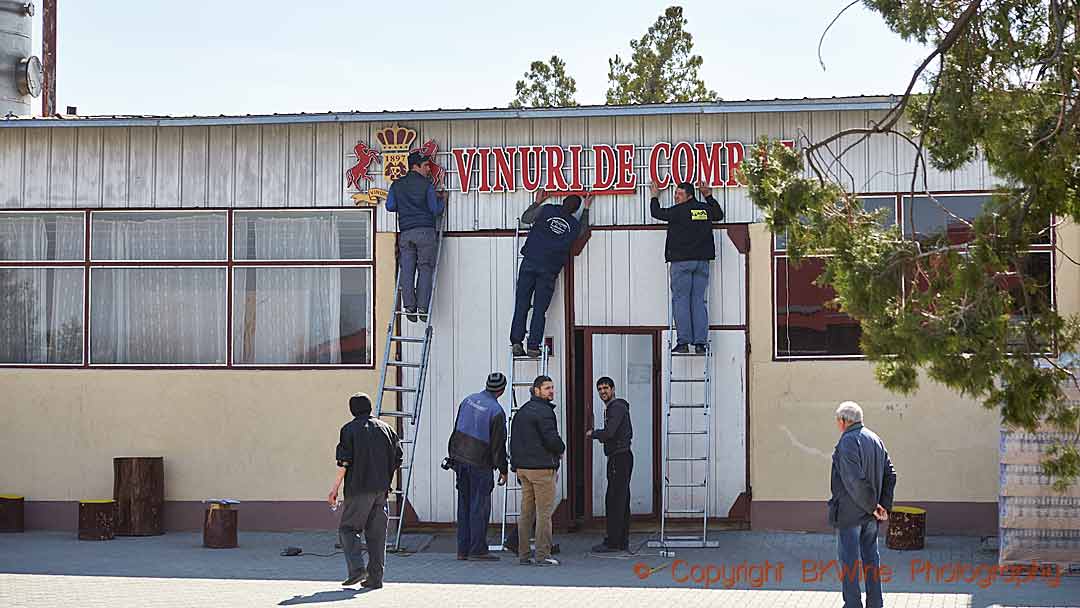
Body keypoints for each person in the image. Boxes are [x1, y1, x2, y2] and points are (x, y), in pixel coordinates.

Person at [328, 392, 404, 589]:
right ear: (370, 407)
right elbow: (398, 458)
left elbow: (344, 462)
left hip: (358, 489)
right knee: (377, 535)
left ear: (352, 409)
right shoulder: (387, 429)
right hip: (381, 491)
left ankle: (356, 569)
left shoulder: (349, 430)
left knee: (348, 529)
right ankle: (375, 578)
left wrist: (334, 489)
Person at [829, 401, 897, 608]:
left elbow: (854, 481)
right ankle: (875, 604)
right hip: (871, 515)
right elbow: (890, 474)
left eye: (837, 421)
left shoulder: (848, 441)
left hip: (852, 515)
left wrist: (874, 507)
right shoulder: (875, 439)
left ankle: (853, 605)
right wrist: (882, 505)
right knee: (871, 560)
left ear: (843, 421)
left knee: (850, 563)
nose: (837, 425)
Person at [510, 189, 592, 357]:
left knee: (521, 304)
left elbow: (526, 219)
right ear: (575, 210)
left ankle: (517, 342)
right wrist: (586, 209)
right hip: (548, 270)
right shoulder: (574, 225)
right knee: (539, 309)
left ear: (562, 202)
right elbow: (583, 230)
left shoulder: (546, 210)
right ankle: (533, 346)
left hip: (530, 263)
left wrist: (537, 202)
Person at [649, 180, 724, 354]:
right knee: (698, 301)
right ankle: (700, 344)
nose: (676, 197)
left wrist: (654, 196)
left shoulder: (678, 211)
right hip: (701, 262)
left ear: (689, 195)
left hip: (681, 262)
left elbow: (656, 213)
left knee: (681, 301)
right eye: (676, 194)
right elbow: (718, 214)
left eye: (679, 194)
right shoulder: (704, 210)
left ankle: (683, 343)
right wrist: (708, 195)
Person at [447, 372, 510, 561]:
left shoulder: (468, 400)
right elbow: (498, 445)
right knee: (479, 507)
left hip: (460, 460)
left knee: (464, 505)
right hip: (480, 464)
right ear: (502, 390)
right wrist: (503, 469)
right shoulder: (497, 411)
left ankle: (462, 550)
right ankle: (478, 550)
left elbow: (457, 428)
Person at [509, 375, 566, 566]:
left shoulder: (522, 411)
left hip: (523, 470)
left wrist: (514, 466)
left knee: (526, 513)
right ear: (536, 390)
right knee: (544, 514)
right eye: (547, 388)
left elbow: (513, 441)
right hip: (541, 470)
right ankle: (543, 555)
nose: (551, 391)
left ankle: (523, 554)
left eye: (552, 387)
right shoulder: (544, 412)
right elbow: (552, 438)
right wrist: (561, 449)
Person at [385, 151, 447, 322]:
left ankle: (409, 307)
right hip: (425, 232)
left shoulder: (397, 185)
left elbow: (390, 206)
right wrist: (443, 199)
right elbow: (435, 210)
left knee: (407, 269)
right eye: (426, 165)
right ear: (416, 166)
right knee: (425, 268)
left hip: (405, 233)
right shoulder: (426, 185)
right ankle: (422, 307)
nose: (429, 169)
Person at [586, 376, 633, 553]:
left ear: (613, 389)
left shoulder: (616, 407)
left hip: (619, 457)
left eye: (606, 388)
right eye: (600, 389)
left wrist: (593, 433)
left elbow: (610, 432)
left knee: (614, 500)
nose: (603, 392)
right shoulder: (615, 408)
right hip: (620, 456)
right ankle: (621, 540)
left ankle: (614, 541)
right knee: (621, 499)